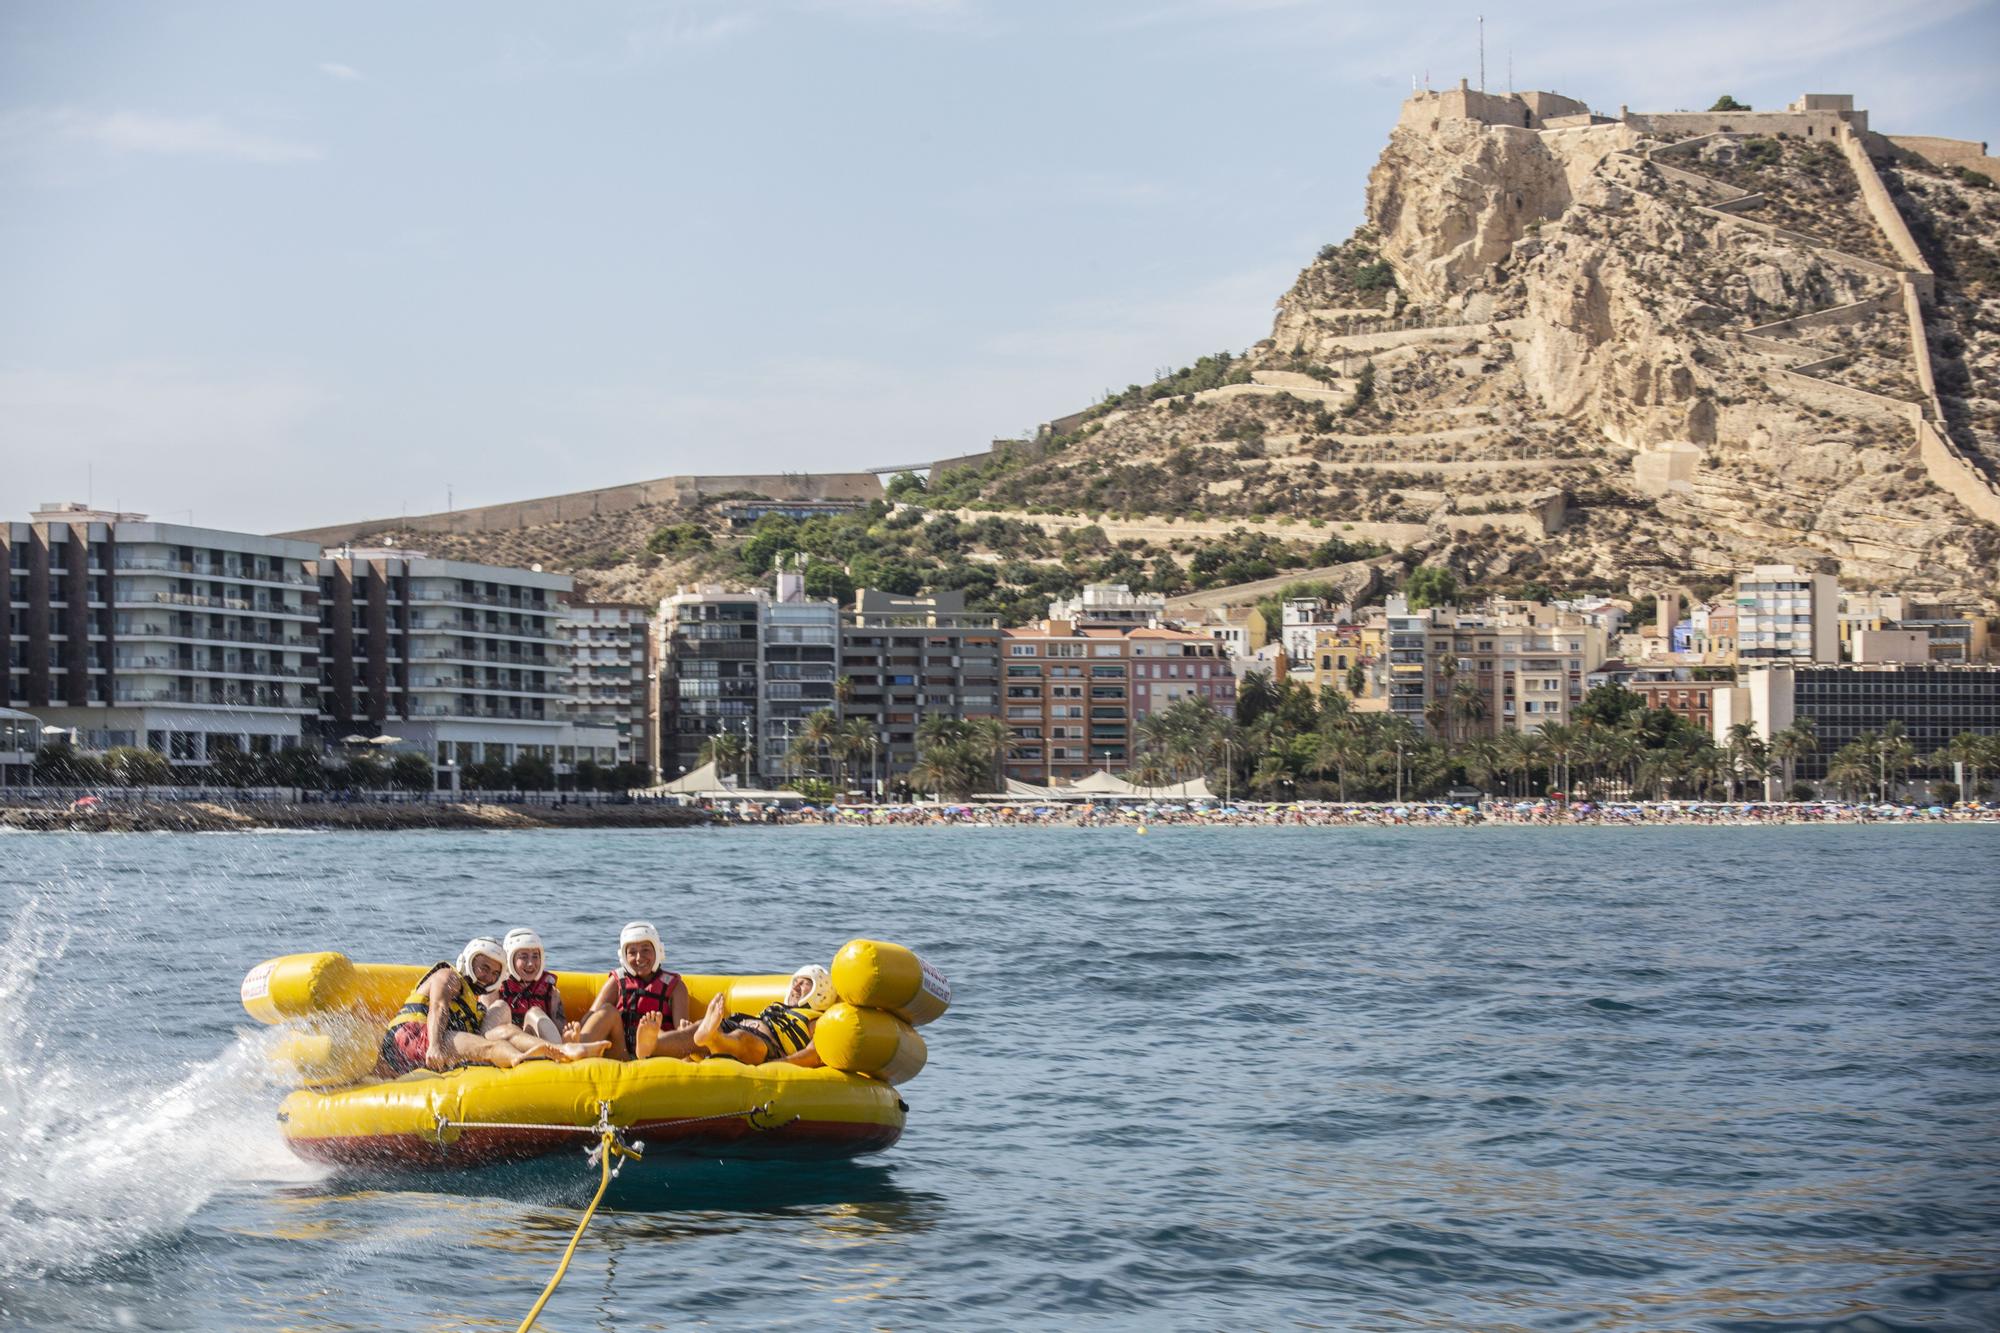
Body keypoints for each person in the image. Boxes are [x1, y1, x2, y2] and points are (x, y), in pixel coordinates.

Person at [375, 938, 604, 1077]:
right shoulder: (449, 976)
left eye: (495, 973)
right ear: (469, 961)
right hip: (414, 1038)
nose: (488, 976)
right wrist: (433, 1045)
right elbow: (438, 1006)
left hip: (444, 1043)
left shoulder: (474, 1003)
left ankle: (560, 1050)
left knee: (508, 1031)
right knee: (492, 1047)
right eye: (483, 967)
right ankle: (521, 1060)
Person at [573, 922, 700, 1060]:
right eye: (632, 952)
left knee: (663, 1030)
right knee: (607, 1011)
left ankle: (648, 1040)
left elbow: (681, 1031)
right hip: (621, 1053)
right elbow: (591, 1016)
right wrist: (577, 1030)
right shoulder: (617, 982)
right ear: (624, 956)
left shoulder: (675, 987)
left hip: (657, 1054)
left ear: (658, 951)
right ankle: (576, 1047)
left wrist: (684, 1029)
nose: (639, 957)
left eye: (645, 950)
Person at [687, 964, 834, 1068]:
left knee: (743, 1038)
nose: (795, 987)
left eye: (804, 983)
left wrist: (777, 1065)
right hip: (736, 1025)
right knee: (691, 1031)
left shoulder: (816, 1021)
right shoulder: (779, 1007)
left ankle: (711, 1039)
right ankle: (704, 1039)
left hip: (766, 1049)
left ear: (821, 992)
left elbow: (813, 1054)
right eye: (795, 981)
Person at [492, 927, 566, 1044]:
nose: (531, 963)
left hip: (540, 1046)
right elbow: (486, 1027)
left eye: (535, 956)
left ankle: (559, 1051)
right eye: (524, 956)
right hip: (506, 1044)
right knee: (500, 1006)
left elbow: (560, 1027)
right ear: (510, 959)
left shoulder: (550, 990)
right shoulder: (495, 986)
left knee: (535, 1013)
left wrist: (569, 1035)